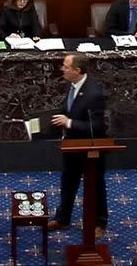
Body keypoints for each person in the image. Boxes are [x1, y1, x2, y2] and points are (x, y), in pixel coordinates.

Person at [47, 54, 108, 238]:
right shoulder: (73, 85)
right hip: (71, 146)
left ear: (77, 71)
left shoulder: (94, 94)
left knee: (96, 185)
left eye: (66, 66)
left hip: (91, 148)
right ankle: (63, 218)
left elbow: (98, 126)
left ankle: (100, 223)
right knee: (68, 182)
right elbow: (66, 108)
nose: (62, 69)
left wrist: (69, 123)